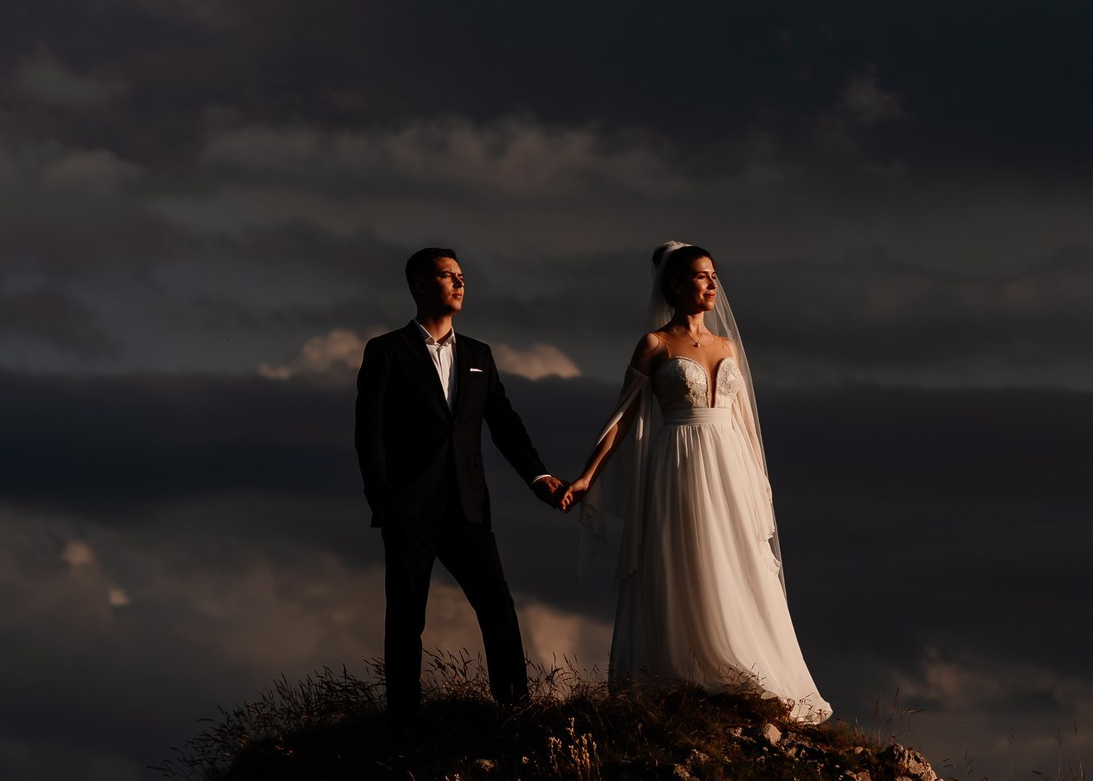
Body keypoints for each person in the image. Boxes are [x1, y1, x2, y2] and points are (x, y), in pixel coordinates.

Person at [562, 241, 830, 723]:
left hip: (730, 464)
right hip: (679, 462)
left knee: (736, 556)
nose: (712, 284)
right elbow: (623, 417)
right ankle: (691, 668)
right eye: (702, 276)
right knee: (689, 555)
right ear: (675, 284)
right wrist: (586, 476)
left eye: (714, 275)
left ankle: (751, 665)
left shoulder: (728, 347)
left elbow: (744, 422)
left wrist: (758, 481)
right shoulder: (655, 345)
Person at [353, 247, 565, 715]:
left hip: (468, 507)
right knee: (406, 617)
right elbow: (369, 432)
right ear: (420, 285)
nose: (460, 282)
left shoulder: (479, 354)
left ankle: (515, 710)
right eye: (448, 275)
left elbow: (504, 423)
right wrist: (384, 500)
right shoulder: (386, 351)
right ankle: (403, 722)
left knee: (497, 606)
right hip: (410, 508)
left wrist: (538, 474)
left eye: (462, 275)